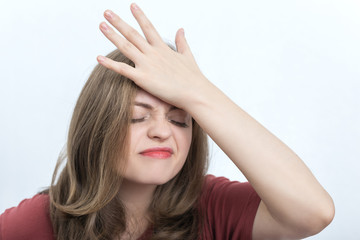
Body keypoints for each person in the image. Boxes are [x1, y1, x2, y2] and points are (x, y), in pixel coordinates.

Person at [0, 3, 335, 240]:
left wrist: (198, 92)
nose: (162, 132)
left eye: (179, 120)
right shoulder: (42, 221)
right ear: (97, 128)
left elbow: (313, 212)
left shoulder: (213, 206)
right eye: (137, 117)